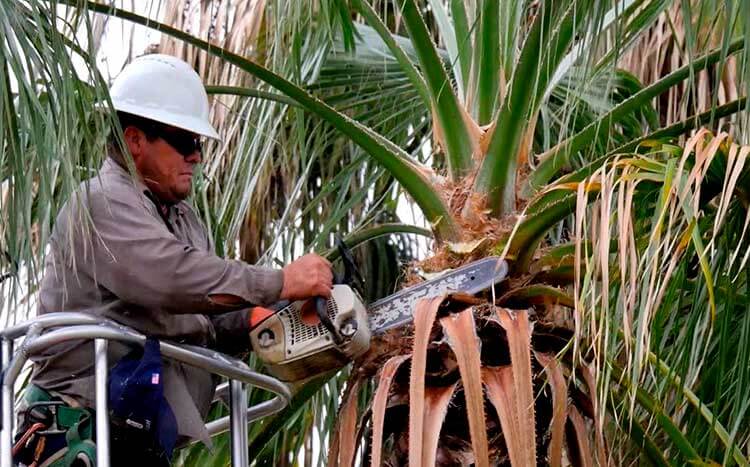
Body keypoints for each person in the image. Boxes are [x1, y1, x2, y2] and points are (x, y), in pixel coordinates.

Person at [13, 54, 333, 466]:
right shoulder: (102, 202)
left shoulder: (182, 219)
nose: (196, 156)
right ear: (135, 140)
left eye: (197, 144)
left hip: (136, 434)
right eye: (185, 141)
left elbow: (199, 317)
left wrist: (259, 318)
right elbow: (170, 279)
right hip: (79, 428)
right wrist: (280, 282)